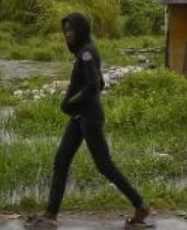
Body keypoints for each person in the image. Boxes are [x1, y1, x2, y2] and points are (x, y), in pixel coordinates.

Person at [26, 12, 150, 228]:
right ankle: (50, 214)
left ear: (81, 30)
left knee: (104, 165)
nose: (68, 35)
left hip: (89, 117)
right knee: (61, 161)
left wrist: (69, 102)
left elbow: (93, 85)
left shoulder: (87, 54)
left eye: (71, 30)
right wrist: (73, 105)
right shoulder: (84, 52)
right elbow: (100, 82)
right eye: (65, 31)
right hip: (78, 117)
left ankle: (140, 205)